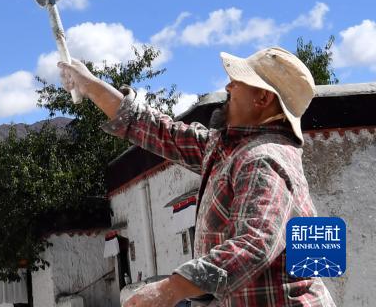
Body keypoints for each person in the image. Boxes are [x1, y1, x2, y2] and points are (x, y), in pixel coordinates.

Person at [58, 46, 336, 307]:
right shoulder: (227, 149)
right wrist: (90, 85)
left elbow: (254, 244)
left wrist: (169, 290)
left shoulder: (263, 159)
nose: (228, 87)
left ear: (262, 99)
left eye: (238, 82)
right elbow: (156, 130)